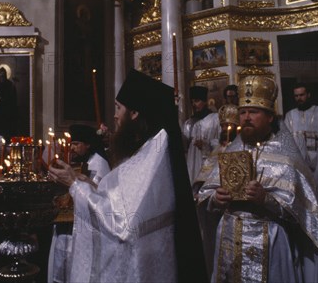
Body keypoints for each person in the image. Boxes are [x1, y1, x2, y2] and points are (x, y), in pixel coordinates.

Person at [49, 69, 207, 282]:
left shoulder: (155, 154)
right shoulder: (149, 149)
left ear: (134, 113)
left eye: (118, 108)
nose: (114, 115)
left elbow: (122, 226)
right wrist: (88, 184)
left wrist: (75, 186)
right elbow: (124, 199)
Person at [198, 75, 318, 283]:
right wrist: (216, 199)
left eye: (253, 112)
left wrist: (266, 200)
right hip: (230, 240)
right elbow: (205, 196)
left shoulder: (287, 158)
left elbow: (303, 213)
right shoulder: (232, 150)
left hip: (271, 241)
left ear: (270, 117)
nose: (246, 117)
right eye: (242, 112)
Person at [47, 124, 110, 283]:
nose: (72, 148)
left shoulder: (99, 163)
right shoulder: (71, 162)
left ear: (88, 144)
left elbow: (99, 195)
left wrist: (79, 182)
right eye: (71, 144)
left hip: (83, 225)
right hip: (65, 223)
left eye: (76, 144)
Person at [193, 103, 240, 276]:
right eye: (222, 126)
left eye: (230, 126)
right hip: (216, 212)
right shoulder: (218, 149)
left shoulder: (243, 149)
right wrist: (201, 191)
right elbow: (205, 175)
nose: (226, 129)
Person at [284, 83, 318, 189]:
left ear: (308, 95)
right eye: (296, 96)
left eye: (302, 95)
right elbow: (285, 139)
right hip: (298, 162)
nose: (299, 98)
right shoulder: (290, 115)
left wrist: (313, 135)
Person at [183, 85, 220, 184]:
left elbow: (221, 143)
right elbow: (184, 145)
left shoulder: (215, 119)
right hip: (192, 162)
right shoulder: (189, 122)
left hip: (209, 161)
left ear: (205, 101)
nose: (194, 105)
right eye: (192, 102)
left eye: (197, 101)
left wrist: (205, 145)